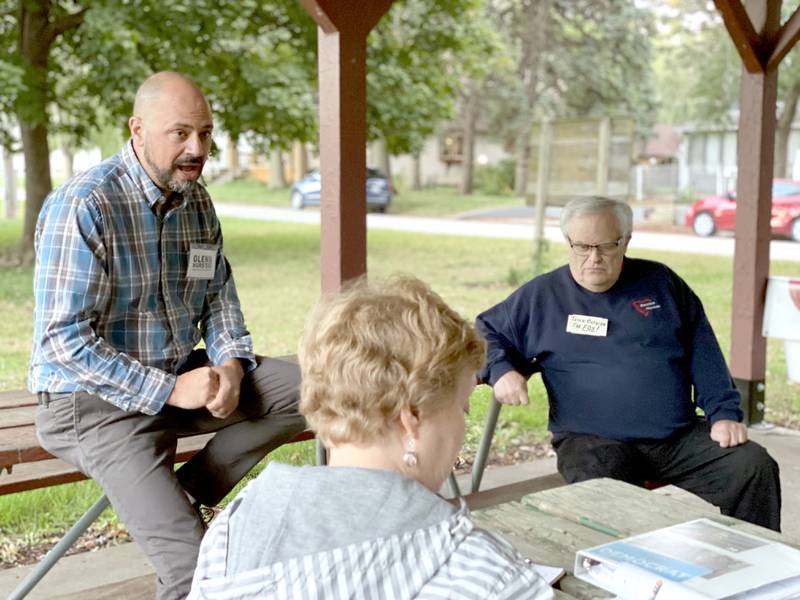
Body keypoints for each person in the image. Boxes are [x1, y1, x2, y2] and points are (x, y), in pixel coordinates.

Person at [29, 71, 306, 599]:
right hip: (90, 403)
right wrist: (169, 390)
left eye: (204, 133)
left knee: (322, 390)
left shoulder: (195, 202)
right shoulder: (86, 205)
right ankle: (176, 518)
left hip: (177, 376)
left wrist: (228, 362)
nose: (196, 148)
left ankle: (187, 493)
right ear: (137, 129)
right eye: (180, 133)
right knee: (196, 572)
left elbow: (218, 295)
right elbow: (62, 341)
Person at [189, 275, 554, 599]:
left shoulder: (231, 530)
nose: (462, 429)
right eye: (461, 408)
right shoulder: (482, 574)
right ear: (411, 419)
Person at [476, 196, 781, 532]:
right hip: (593, 441)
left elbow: (702, 348)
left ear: (626, 241)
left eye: (606, 245)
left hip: (676, 437)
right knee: (606, 492)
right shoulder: (542, 296)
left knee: (753, 467)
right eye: (582, 246)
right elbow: (483, 332)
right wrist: (500, 369)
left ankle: (756, 563)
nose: (594, 257)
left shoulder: (660, 283)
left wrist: (723, 413)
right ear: (568, 242)